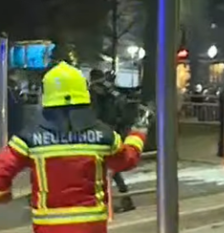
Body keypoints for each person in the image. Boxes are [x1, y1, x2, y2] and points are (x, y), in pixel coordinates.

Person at [0, 62, 148, 233]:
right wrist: (138, 132)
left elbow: (2, 169)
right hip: (91, 226)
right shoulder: (103, 135)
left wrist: (5, 194)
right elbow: (127, 160)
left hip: (49, 227)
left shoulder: (29, 138)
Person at [89, 69, 137, 213]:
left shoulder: (93, 91)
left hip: (99, 131)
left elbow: (94, 112)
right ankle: (125, 197)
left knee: (98, 166)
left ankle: (104, 200)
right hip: (114, 130)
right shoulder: (112, 90)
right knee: (112, 165)